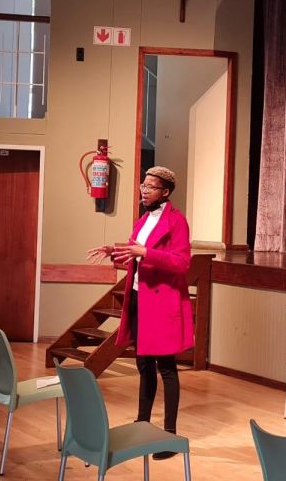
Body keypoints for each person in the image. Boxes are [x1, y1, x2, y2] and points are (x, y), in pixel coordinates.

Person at [87, 166, 193, 461]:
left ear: (165, 192)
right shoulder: (143, 220)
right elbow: (135, 252)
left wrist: (145, 253)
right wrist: (114, 250)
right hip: (139, 298)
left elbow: (182, 263)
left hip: (162, 302)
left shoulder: (176, 221)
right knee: (144, 365)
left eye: (151, 187)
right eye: (143, 186)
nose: (144, 191)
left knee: (166, 367)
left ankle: (170, 436)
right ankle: (142, 423)